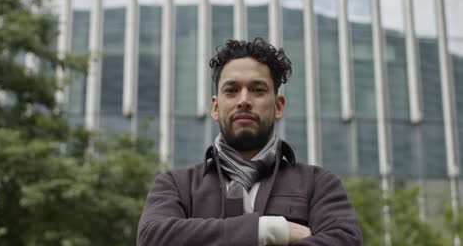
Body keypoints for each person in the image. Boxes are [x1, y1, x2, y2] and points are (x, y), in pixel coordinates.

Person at [137, 38, 362, 246]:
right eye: (232, 90)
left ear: (278, 106)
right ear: (215, 107)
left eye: (257, 90)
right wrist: (271, 230)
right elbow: (152, 237)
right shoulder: (177, 185)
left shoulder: (318, 184)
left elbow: (343, 241)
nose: (244, 100)